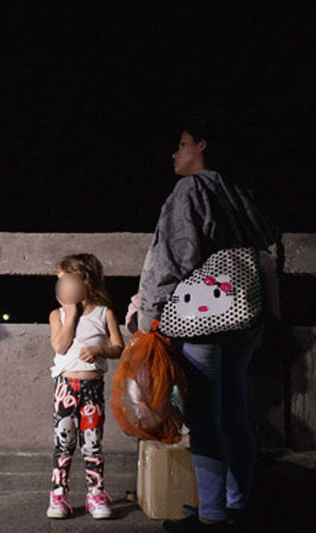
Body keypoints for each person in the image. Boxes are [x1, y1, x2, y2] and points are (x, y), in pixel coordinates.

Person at [137, 125, 279, 532]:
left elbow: (175, 256)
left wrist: (152, 311)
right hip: (243, 317)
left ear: (202, 146)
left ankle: (212, 515)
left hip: (202, 319)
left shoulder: (190, 191)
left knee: (203, 419)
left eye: (181, 145)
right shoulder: (239, 193)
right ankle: (237, 505)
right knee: (235, 415)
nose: (175, 154)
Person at [46, 254, 124, 520]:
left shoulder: (105, 313)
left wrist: (100, 349)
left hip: (92, 388)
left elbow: (118, 347)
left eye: (65, 280)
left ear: (85, 281)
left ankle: (96, 495)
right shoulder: (57, 314)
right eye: (59, 282)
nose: (61, 286)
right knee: (63, 444)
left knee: (92, 445)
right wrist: (72, 314)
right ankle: (58, 497)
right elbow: (60, 346)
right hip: (65, 387)